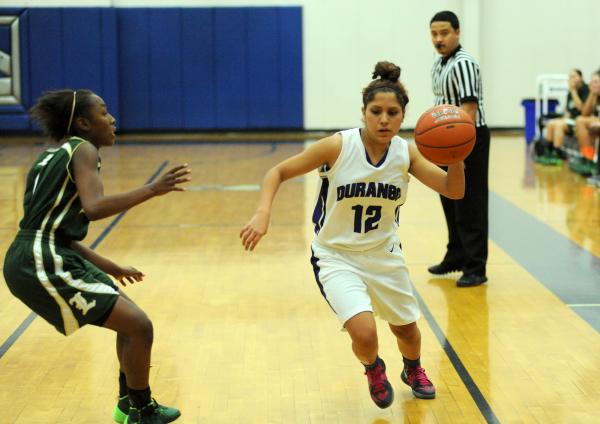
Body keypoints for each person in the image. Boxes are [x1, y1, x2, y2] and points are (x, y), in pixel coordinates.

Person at [240, 61, 467, 406]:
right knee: (364, 333)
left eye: (393, 112)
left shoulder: (406, 153)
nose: (384, 119)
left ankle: (412, 368)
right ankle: (374, 368)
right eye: (376, 111)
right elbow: (277, 172)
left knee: (406, 330)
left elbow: (453, 190)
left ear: (403, 117)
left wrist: (456, 155)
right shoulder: (337, 146)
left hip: (383, 253)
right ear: (363, 113)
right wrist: (262, 212)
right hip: (336, 255)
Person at [2, 89, 191, 424]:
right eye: (104, 112)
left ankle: (127, 405)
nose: (112, 119)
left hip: (44, 252)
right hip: (40, 259)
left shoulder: (51, 156)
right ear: (83, 123)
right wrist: (152, 189)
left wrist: (109, 266)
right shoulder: (84, 149)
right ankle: (143, 410)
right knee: (139, 326)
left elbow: (58, 232)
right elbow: (94, 208)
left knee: (131, 320)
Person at [428, 10, 490, 287]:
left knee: (470, 203)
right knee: (449, 196)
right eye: (434, 33)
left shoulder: (464, 64)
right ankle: (456, 255)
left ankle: (476, 266)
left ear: (457, 32)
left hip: (468, 140)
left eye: (444, 33)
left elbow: (469, 108)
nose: (439, 39)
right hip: (445, 141)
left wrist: (459, 151)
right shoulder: (440, 63)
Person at [536, 69, 589, 165]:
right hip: (570, 120)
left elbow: (582, 108)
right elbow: (568, 111)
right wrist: (562, 118)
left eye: (574, 76)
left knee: (559, 125)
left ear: (581, 78)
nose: (571, 79)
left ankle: (557, 153)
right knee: (552, 123)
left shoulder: (585, 90)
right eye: (570, 77)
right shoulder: (570, 94)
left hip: (581, 120)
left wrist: (573, 91)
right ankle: (549, 152)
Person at [570, 69, 600, 177]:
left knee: (581, 122)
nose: (593, 84)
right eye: (592, 82)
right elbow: (585, 113)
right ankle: (588, 158)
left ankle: (589, 159)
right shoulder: (595, 94)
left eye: (596, 82)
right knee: (581, 121)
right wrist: (592, 94)